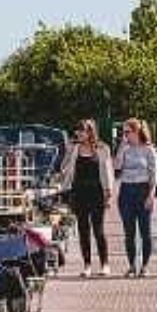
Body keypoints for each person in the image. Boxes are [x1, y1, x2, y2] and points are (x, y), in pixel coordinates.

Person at [56, 119, 115, 277]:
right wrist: (66, 164)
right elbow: (64, 168)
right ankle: (87, 265)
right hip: (79, 192)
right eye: (78, 131)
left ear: (90, 132)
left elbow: (108, 172)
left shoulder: (102, 148)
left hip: (96, 192)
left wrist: (108, 192)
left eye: (82, 130)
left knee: (98, 229)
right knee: (83, 230)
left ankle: (105, 264)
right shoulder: (74, 148)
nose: (79, 133)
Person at [114, 118, 157, 277]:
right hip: (126, 190)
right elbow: (117, 166)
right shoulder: (125, 148)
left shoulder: (149, 150)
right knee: (129, 232)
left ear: (136, 131)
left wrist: (151, 195)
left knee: (145, 231)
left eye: (127, 132)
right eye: (123, 132)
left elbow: (154, 176)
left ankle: (145, 266)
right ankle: (132, 266)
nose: (125, 135)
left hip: (143, 190)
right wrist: (121, 147)